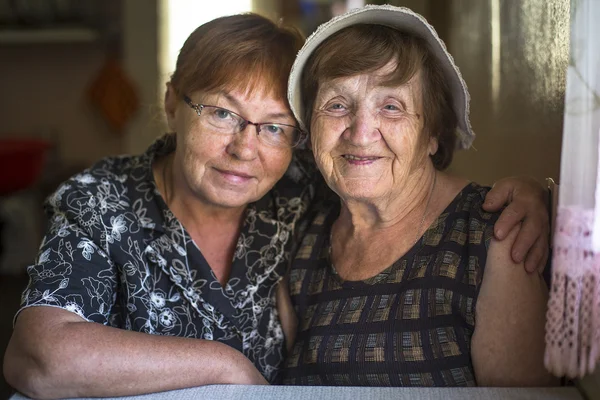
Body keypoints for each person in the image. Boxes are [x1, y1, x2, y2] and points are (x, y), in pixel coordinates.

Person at [3, 12, 549, 400]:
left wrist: (533, 193)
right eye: (220, 113)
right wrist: (227, 368)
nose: (245, 147)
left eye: (273, 127)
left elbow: (386, 171)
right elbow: (40, 356)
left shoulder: (301, 189)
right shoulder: (104, 201)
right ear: (172, 103)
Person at [281, 5, 557, 387]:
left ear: (432, 134)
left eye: (391, 107)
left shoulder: (493, 237)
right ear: (310, 128)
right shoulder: (302, 233)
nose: (360, 133)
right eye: (337, 105)